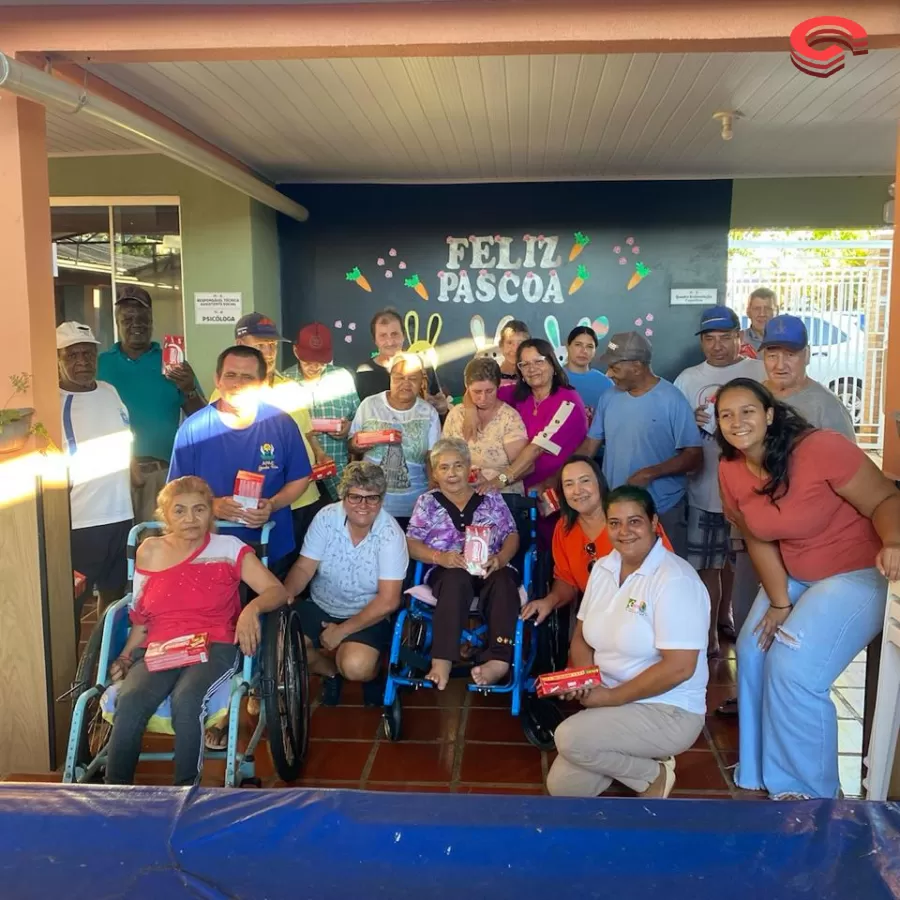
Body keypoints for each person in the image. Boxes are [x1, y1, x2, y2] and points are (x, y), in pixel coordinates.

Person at [716, 378, 900, 799]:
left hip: (855, 573)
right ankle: (761, 770)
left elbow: (885, 500)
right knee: (752, 649)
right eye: (726, 414)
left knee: (793, 667)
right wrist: (779, 601)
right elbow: (756, 534)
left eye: (747, 411)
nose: (737, 422)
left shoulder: (820, 448)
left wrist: (894, 542)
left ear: (769, 414)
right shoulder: (730, 467)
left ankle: (808, 792)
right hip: (795, 573)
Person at [103, 476, 288, 786]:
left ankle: (186, 792)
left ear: (210, 513)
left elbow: (276, 590)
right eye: (180, 511)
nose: (191, 519)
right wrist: (124, 656)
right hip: (161, 646)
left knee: (187, 700)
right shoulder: (149, 550)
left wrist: (250, 609)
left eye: (199, 509)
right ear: (165, 516)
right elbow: (142, 618)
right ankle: (115, 793)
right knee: (132, 699)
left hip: (215, 643)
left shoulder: (229, 547)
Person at [546, 486, 709, 799]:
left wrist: (610, 698)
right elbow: (581, 637)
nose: (624, 532)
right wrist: (585, 680)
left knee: (569, 737)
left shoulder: (675, 579)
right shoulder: (605, 568)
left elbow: (680, 668)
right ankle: (638, 754)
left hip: (668, 710)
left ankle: (653, 775)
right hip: (613, 698)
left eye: (634, 521)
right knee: (565, 788)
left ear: (653, 522)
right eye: (615, 523)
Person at [168, 345, 311, 576]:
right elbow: (175, 492)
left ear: (262, 383)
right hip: (209, 551)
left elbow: (300, 477)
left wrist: (273, 504)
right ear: (218, 379)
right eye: (231, 375)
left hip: (269, 546)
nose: (238, 383)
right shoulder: (192, 429)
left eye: (247, 377)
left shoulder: (282, 424)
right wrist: (212, 506)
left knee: (265, 609)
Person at [673, 306, 765, 657]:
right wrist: (692, 424)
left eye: (725, 337)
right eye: (709, 339)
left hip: (752, 493)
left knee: (741, 567)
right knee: (707, 565)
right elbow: (678, 436)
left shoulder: (757, 372)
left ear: (739, 337)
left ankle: (733, 624)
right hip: (704, 490)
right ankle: (708, 632)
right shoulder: (687, 379)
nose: (717, 345)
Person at [284, 462, 408, 707]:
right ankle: (330, 672)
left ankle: (371, 674)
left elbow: (389, 600)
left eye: (371, 498)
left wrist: (342, 631)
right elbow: (304, 567)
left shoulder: (391, 534)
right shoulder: (327, 518)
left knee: (355, 665)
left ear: (381, 500)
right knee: (285, 648)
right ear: (343, 497)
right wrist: (285, 594)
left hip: (367, 611)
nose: (363, 506)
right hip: (321, 603)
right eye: (355, 497)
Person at [210, 313, 329, 558]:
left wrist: (319, 452)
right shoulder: (226, 395)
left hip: (304, 496)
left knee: (300, 567)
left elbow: (307, 432)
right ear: (240, 345)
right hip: (263, 505)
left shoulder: (292, 386)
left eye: (272, 345)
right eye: (261, 345)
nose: (269, 351)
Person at [406, 439, 521, 690]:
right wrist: (440, 558)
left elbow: (512, 534)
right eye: (444, 467)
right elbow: (411, 543)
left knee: (503, 582)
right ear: (435, 473)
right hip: (448, 570)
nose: (452, 473)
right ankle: (442, 660)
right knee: (455, 579)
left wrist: (500, 559)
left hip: (491, 566)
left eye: (458, 465)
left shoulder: (489, 497)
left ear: (469, 467)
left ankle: (498, 660)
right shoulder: (427, 502)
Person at [580, 331, 702, 560]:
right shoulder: (608, 397)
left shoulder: (672, 399)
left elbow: (694, 456)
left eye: (615, 368)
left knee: (667, 580)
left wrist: (651, 473)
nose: (608, 374)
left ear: (636, 366)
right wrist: (567, 475)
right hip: (618, 509)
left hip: (663, 509)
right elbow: (590, 446)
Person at [97, 286, 206, 523]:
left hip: (162, 474)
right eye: (128, 318)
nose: (136, 324)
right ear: (117, 323)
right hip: (114, 474)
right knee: (118, 544)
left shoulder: (173, 363)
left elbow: (203, 420)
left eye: (143, 318)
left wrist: (189, 389)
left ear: (152, 322)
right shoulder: (100, 365)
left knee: (158, 545)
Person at [521, 456, 672, 625]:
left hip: (643, 612)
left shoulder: (629, 518)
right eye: (569, 484)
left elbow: (666, 568)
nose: (577, 491)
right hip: (596, 615)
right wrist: (548, 602)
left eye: (584, 481)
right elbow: (567, 580)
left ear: (599, 483)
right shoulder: (564, 528)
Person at [58, 322, 134, 641]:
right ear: (58, 358)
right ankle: (73, 676)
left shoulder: (108, 391)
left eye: (88, 353)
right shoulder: (54, 401)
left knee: (116, 598)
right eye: (72, 354)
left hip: (121, 513)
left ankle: (105, 665)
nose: (82, 362)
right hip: (83, 521)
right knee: (73, 603)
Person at [348, 352, 441, 527]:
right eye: (399, 378)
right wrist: (358, 444)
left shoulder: (428, 412)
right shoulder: (369, 405)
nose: (405, 384)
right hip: (370, 503)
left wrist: (432, 490)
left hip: (414, 506)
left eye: (413, 378)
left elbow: (432, 457)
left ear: (422, 381)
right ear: (390, 378)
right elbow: (352, 447)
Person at [284, 322, 360, 501]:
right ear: (296, 351)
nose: (314, 366)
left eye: (320, 361)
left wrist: (349, 427)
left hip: (338, 470)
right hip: (298, 474)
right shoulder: (284, 381)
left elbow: (359, 420)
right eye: (308, 360)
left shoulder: (342, 378)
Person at [760, 314, 855, 440]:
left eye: (790, 355)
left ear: (807, 355)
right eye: (772, 356)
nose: (780, 366)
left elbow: (847, 457)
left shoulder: (828, 407)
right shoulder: (754, 396)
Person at [441, 357, 528, 495]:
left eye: (489, 391)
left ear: (498, 386)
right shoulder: (456, 415)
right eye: (476, 392)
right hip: (461, 496)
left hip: (501, 498)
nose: (483, 398)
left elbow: (525, 467)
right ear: (466, 386)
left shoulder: (509, 418)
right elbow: (443, 458)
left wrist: (498, 481)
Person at [354, 307, 446, 411]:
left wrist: (441, 407)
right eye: (383, 336)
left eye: (395, 334)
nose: (390, 342)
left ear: (404, 335)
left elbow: (440, 404)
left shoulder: (423, 366)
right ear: (375, 340)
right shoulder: (364, 373)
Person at [564, 325, 612, 417]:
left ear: (595, 351)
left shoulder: (605, 384)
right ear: (568, 346)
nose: (584, 351)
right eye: (578, 345)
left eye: (590, 346)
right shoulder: (553, 378)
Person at [739, 288, 778, 359]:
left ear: (777, 311)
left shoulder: (788, 341)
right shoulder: (738, 341)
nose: (762, 314)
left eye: (768, 308)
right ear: (748, 312)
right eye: (757, 309)